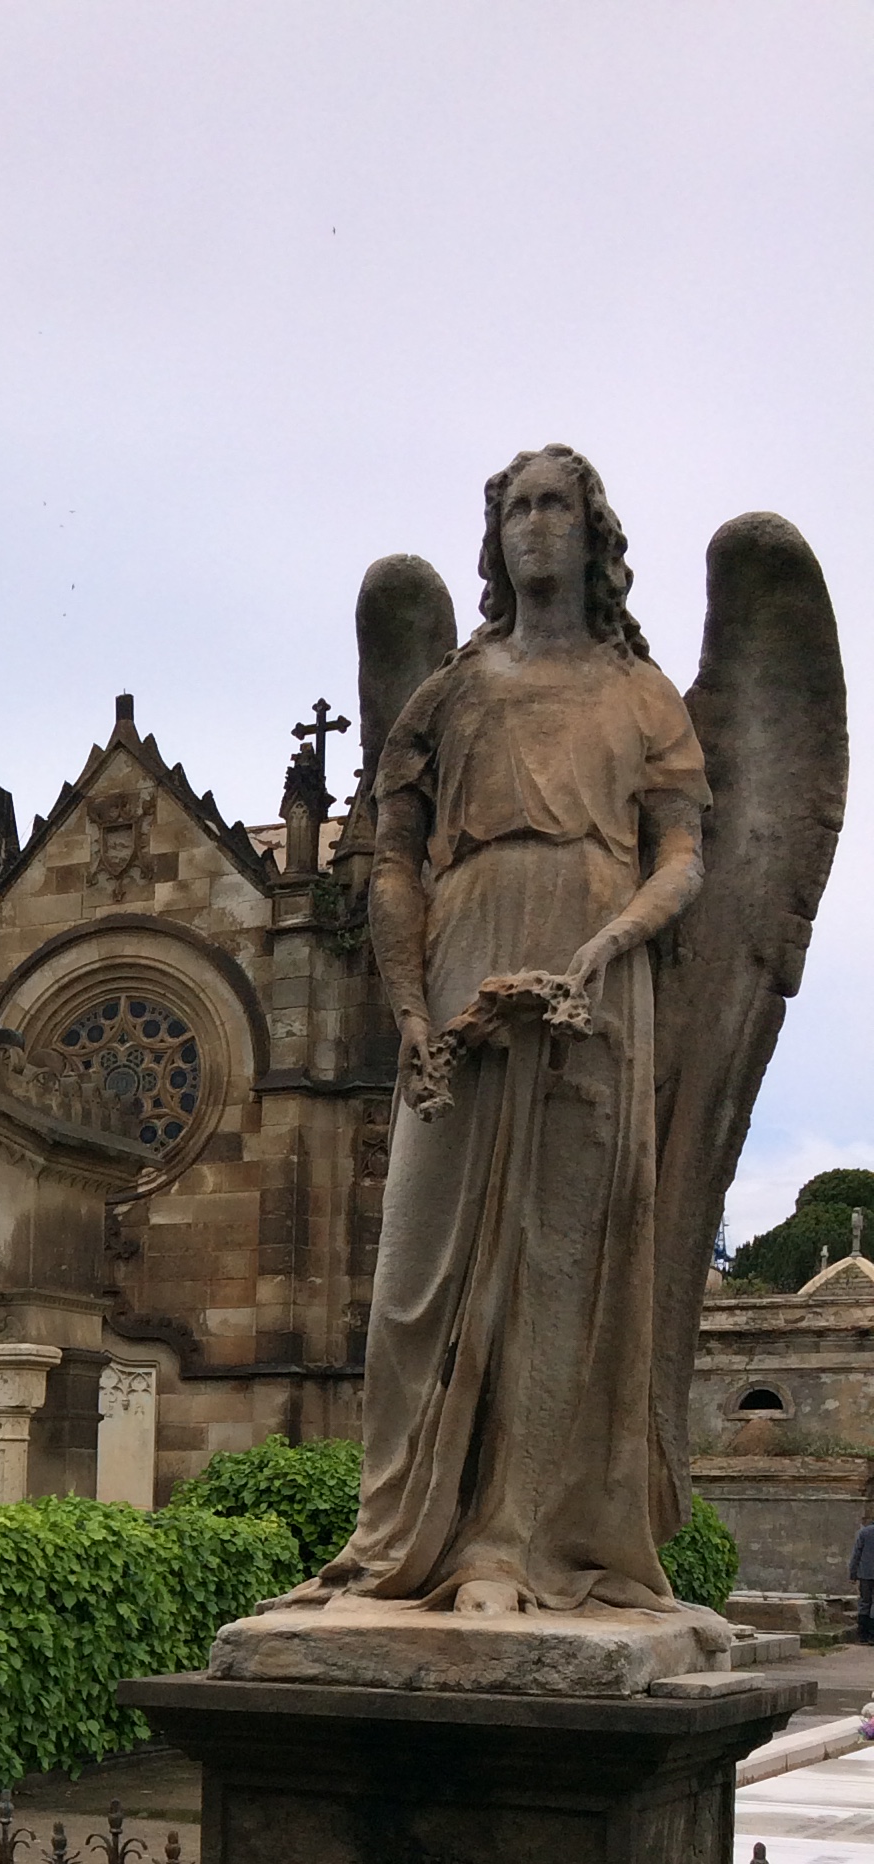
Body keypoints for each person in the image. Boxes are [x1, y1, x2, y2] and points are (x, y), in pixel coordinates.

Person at [294, 446, 710, 1617]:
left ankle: (512, 1546)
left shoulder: (642, 694)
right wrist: (409, 1008)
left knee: (558, 1265)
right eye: (516, 508)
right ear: (497, 537)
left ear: (592, 532)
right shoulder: (452, 692)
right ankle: (396, 1539)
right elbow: (391, 861)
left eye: (554, 506)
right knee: (411, 1278)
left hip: (595, 982)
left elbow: (684, 853)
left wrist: (616, 938)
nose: (534, 525)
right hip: (463, 957)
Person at [851, 1509, 874, 1645]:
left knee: (865, 1602)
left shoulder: (864, 1532)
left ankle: (862, 1634)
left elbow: (856, 1554)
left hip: (865, 1574)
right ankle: (872, 1635)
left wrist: (852, 1573)